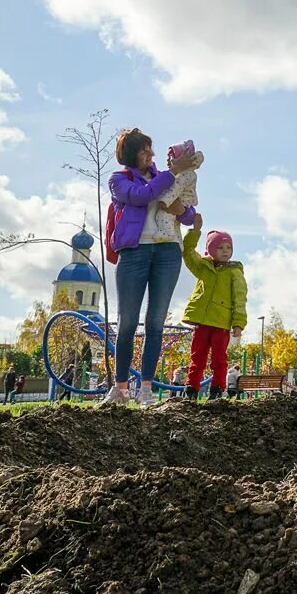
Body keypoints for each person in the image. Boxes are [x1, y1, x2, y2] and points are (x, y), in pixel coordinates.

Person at [105, 127, 196, 407]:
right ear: (131, 154)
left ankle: (145, 387)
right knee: (127, 323)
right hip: (134, 251)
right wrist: (172, 173)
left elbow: (190, 215)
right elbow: (141, 196)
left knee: (156, 322)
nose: (151, 155)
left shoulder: (164, 178)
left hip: (168, 250)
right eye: (145, 150)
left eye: (151, 149)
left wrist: (181, 210)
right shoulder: (119, 180)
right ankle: (120, 389)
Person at [179, 219, 246, 401]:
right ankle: (191, 390)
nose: (225, 251)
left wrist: (238, 323)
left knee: (218, 360)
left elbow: (240, 299)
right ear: (210, 250)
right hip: (202, 322)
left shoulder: (234, 272)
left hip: (221, 324)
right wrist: (195, 232)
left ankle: (216, 390)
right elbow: (188, 252)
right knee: (197, 358)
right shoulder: (203, 268)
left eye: (228, 247)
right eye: (220, 247)